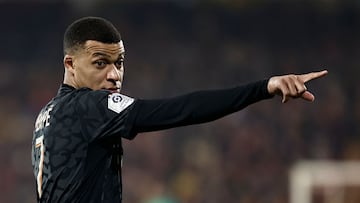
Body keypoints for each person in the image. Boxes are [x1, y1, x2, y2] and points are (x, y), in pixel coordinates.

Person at [31, 16, 328, 203]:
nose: (114, 75)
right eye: (100, 63)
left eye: (119, 62)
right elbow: (180, 110)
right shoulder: (89, 105)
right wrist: (264, 87)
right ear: (70, 63)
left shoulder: (46, 115)